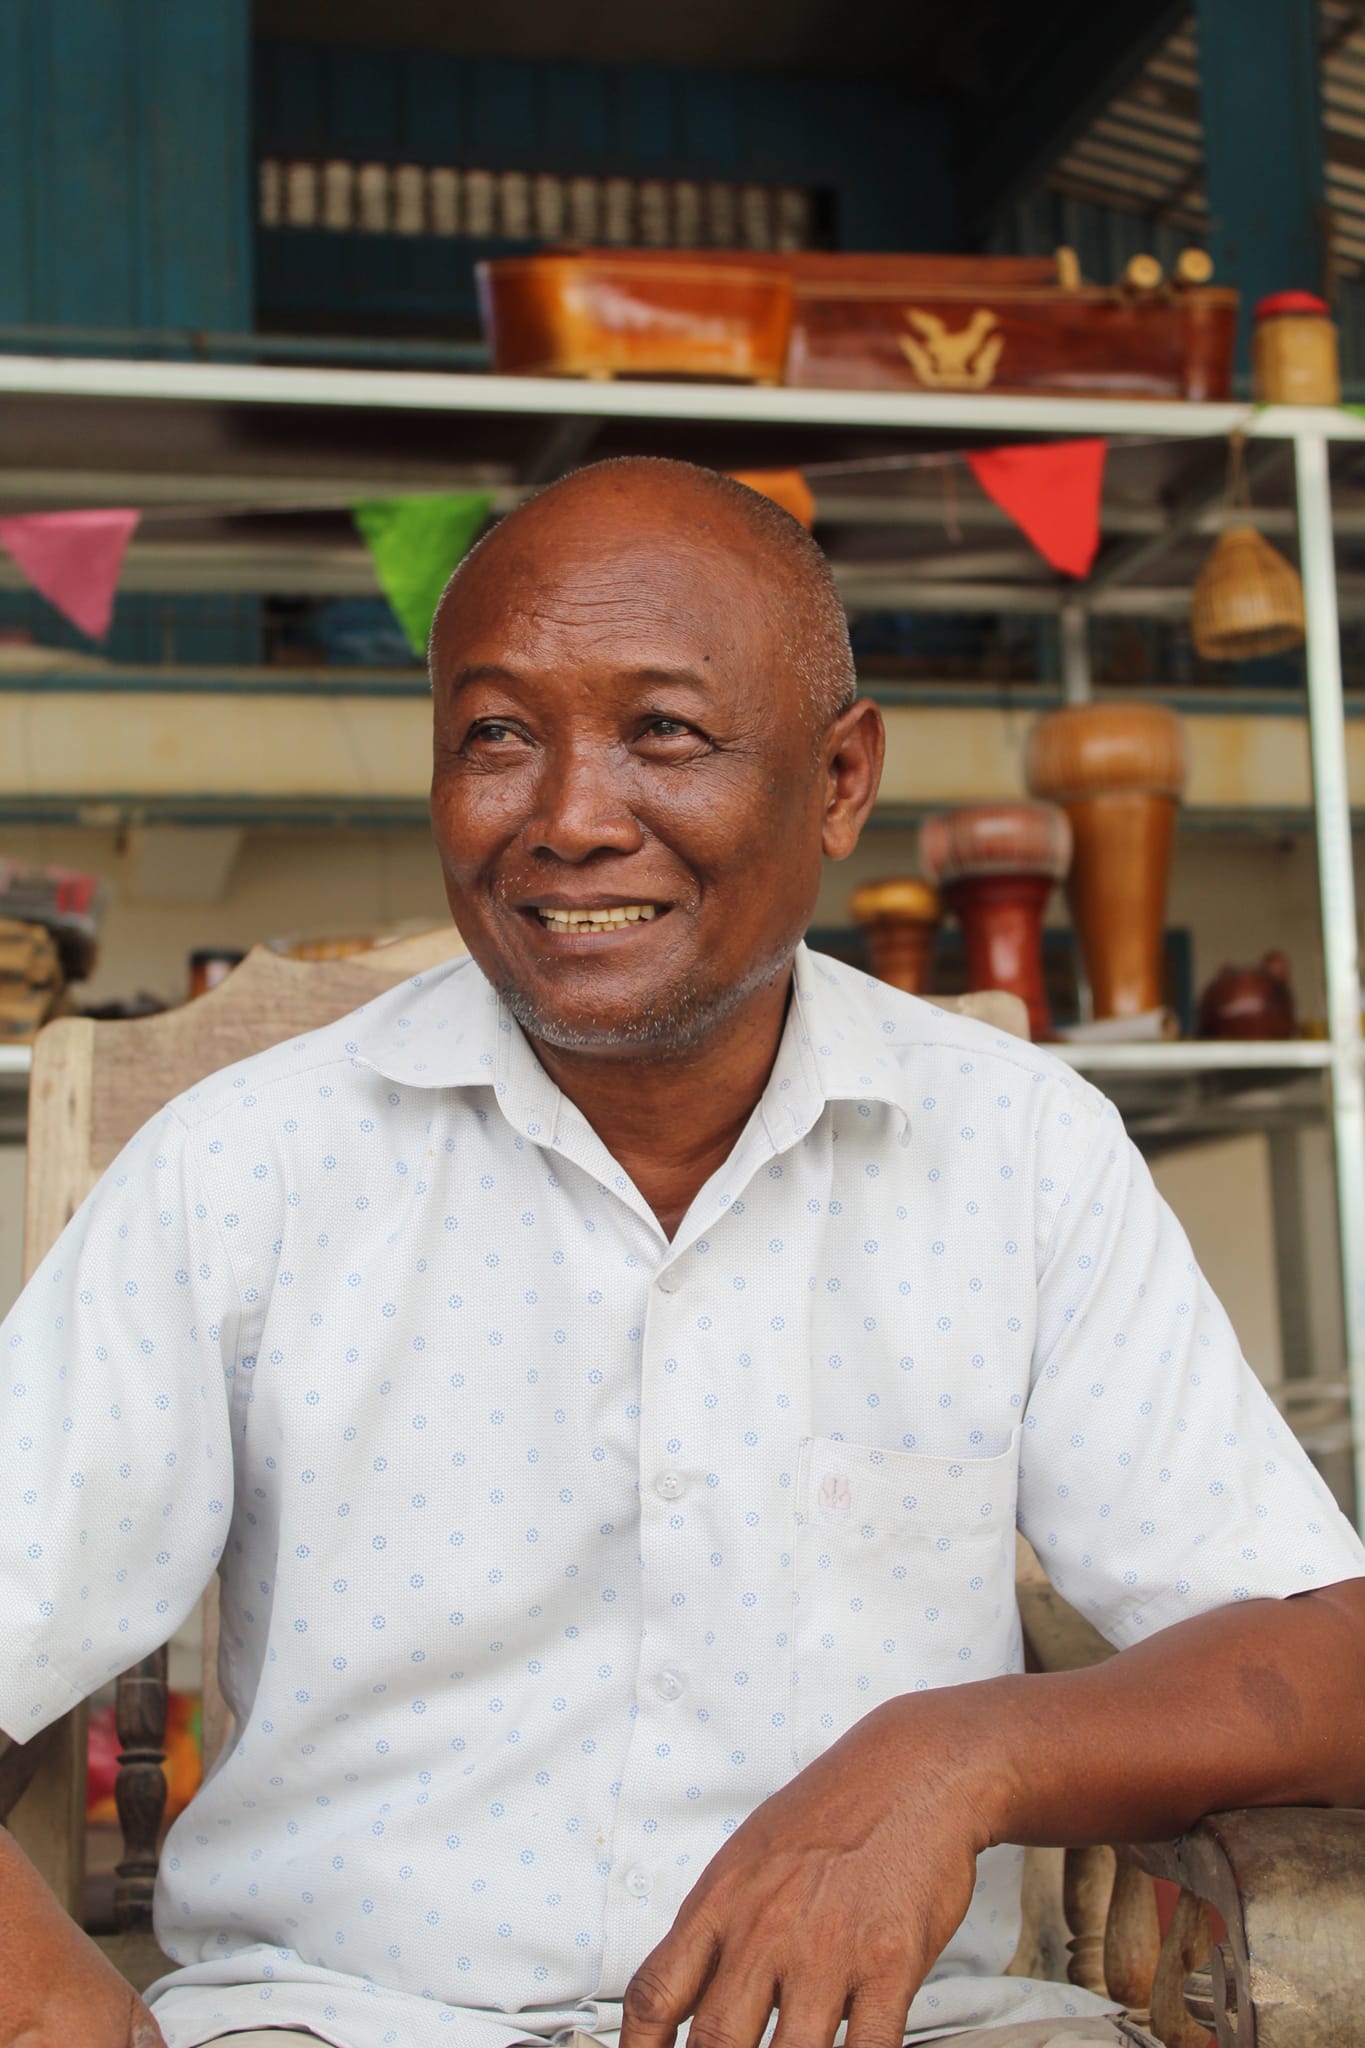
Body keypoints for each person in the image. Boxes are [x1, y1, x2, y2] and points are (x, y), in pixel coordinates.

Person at [3, 457, 1364, 2048]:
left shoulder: (1019, 1154)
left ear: (839, 780)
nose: (571, 820)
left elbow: (1330, 1663)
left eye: (662, 731)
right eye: (496, 735)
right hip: (348, 2022)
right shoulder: (244, 1170)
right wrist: (61, 2015)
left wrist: (955, 1755)